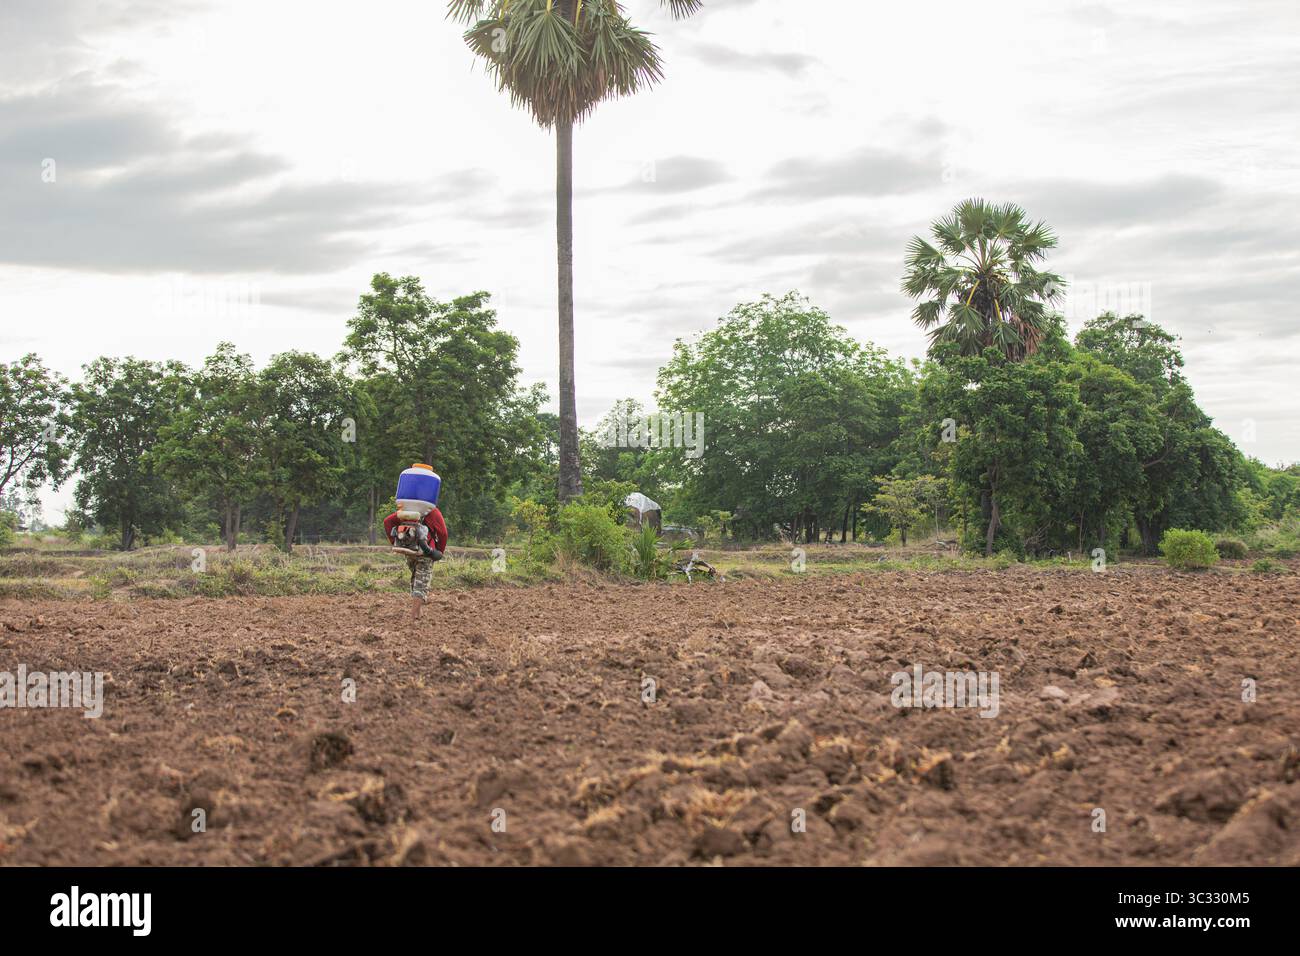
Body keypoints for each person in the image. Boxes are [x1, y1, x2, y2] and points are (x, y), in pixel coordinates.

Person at [383, 505, 447, 622]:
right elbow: (443, 533)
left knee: (416, 579)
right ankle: (413, 618)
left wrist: (395, 542)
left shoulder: (407, 509)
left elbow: (387, 521)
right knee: (421, 584)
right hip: (425, 553)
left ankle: (418, 614)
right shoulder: (432, 511)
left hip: (410, 551)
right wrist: (439, 551)